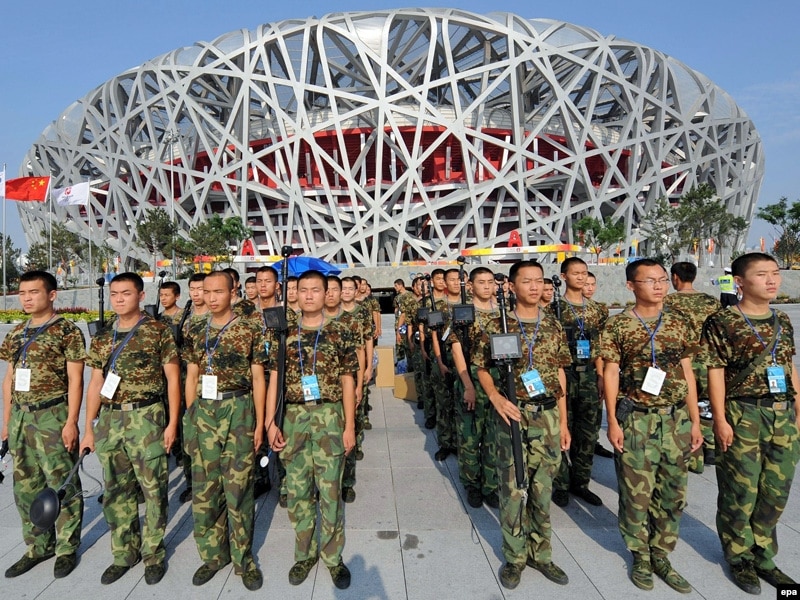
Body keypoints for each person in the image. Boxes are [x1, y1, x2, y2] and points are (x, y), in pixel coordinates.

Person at [601, 259, 702, 593]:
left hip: (675, 419)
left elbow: (687, 371)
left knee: (673, 491)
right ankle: (640, 555)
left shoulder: (679, 321)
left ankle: (661, 553)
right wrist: (612, 420)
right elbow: (611, 373)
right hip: (637, 419)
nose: (658, 286)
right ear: (631, 286)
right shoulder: (618, 326)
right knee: (635, 493)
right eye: (649, 280)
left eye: (662, 279)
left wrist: (695, 421)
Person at [701, 252, 799, 594]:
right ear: (740, 282)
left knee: (775, 491)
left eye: (775, 273)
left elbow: (788, 367)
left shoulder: (781, 320)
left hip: (782, 414)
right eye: (762, 274)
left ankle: (764, 556)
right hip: (743, 413)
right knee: (740, 490)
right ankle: (739, 557)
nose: (772, 280)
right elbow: (715, 372)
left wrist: (798, 410)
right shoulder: (722, 321)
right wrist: (720, 419)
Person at [473, 260, 571, 590]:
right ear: (512, 287)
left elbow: (560, 373)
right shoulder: (496, 324)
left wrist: (564, 422)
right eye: (527, 281)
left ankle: (541, 554)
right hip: (513, 416)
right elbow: (481, 368)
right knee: (512, 490)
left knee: (543, 491)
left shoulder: (553, 324)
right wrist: (495, 398)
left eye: (539, 280)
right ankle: (515, 557)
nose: (534, 286)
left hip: (548, 416)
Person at [80, 272, 181, 586]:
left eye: (125, 293)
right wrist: (89, 427)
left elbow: (173, 379)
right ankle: (124, 553)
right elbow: (95, 383)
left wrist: (172, 424)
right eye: (114, 294)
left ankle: (153, 554)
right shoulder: (103, 336)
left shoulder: (158, 331)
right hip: (111, 420)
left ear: (140, 296)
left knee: (153, 490)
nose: (119, 299)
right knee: (116, 490)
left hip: (147, 417)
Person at [266, 270, 357, 590]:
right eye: (302, 289)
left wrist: (350, 426)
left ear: (326, 292)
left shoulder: (340, 331)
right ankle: (304, 553)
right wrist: (270, 422)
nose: (308, 295)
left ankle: (333, 557)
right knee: (298, 490)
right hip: (294, 417)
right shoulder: (283, 333)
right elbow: (274, 378)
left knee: (330, 492)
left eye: (315, 290)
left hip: (329, 415)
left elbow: (348, 381)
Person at [183, 270, 266, 591]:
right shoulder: (195, 329)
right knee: (205, 488)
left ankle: (243, 559)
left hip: (238, 409)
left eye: (218, 292)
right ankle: (212, 555)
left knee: (238, 487)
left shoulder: (249, 328)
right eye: (207, 292)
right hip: (204, 411)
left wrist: (259, 423)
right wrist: (191, 416)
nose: (211, 297)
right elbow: (191, 376)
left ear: (232, 293)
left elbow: (258, 378)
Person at [1, 271, 86, 579]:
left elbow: (76, 380)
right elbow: (9, 378)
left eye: (33, 292)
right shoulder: (16, 333)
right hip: (21, 417)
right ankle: (38, 546)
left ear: (51, 295)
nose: (26, 298)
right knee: (25, 486)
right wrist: (7, 421)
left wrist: (71, 422)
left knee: (62, 482)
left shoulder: (67, 331)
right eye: (22, 293)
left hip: (53, 414)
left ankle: (66, 548)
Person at [551, 257, 607, 508]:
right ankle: (561, 484)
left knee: (588, 432)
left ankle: (581, 483)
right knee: (561, 429)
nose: (582, 277)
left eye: (585, 273)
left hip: (589, 376)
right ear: (564, 277)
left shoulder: (597, 310)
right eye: (576, 273)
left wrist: (601, 376)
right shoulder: (554, 309)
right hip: (565, 374)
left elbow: (601, 347)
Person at [447, 266, 499, 509]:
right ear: (471, 286)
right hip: (472, 382)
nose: (487, 286)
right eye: (481, 282)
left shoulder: (504, 313)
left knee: (493, 437)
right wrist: (468, 385)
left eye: (490, 282)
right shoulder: (463, 313)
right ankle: (472, 484)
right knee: (469, 436)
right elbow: (457, 351)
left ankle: (490, 485)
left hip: (498, 384)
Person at [663, 261, 721, 472]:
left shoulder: (667, 302)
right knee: (708, 404)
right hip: (707, 362)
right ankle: (711, 447)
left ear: (675, 277)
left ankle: (693, 454)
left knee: (685, 407)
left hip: (681, 362)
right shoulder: (712, 302)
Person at [581, 271, 614, 459]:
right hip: (571, 367)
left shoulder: (600, 309)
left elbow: (603, 340)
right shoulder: (561, 308)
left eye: (592, 284)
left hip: (594, 364)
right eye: (586, 284)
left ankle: (594, 442)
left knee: (594, 409)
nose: (590, 288)